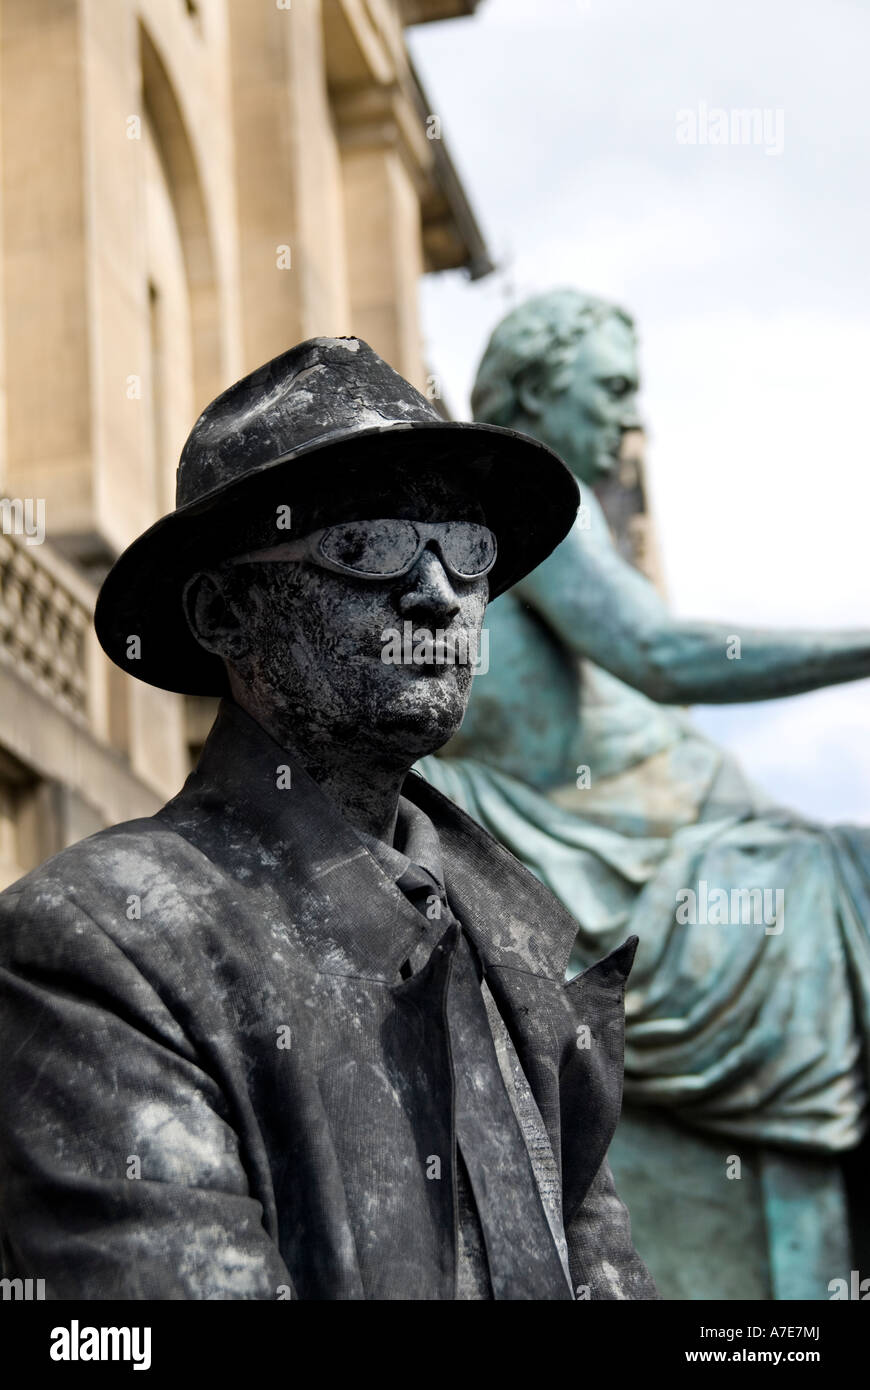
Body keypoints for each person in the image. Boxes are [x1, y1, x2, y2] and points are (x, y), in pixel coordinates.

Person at [0, 335, 657, 1301]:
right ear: (226, 611)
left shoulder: (513, 947)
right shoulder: (95, 948)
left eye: (465, 549)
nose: (437, 595)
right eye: (365, 545)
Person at [417, 290, 870, 1299]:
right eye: (613, 390)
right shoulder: (530, 503)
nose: (633, 421)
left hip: (649, 844)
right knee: (842, 892)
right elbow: (662, 655)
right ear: (538, 393)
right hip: (609, 864)